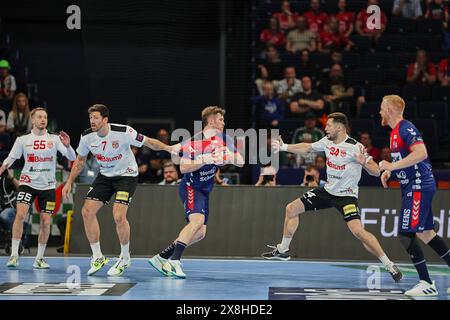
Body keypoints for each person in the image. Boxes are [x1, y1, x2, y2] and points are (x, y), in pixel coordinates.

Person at [262, 112, 403, 283]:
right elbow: (307, 147)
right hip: (327, 191)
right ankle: (283, 250)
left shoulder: (355, 146)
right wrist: (284, 147)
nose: (325, 128)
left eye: (328, 125)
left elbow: (375, 172)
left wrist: (363, 161)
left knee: (358, 231)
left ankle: (389, 264)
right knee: (291, 209)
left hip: (346, 197)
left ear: (339, 127)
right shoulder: (327, 141)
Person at [61, 104, 177, 277]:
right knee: (86, 211)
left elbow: (149, 142)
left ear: (105, 119)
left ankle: (124, 257)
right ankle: (98, 256)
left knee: (118, 215)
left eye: (96, 118)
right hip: (105, 175)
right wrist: (69, 181)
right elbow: (79, 160)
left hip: (127, 176)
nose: (92, 121)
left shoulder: (123, 131)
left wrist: (169, 148)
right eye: (90, 118)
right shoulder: (86, 137)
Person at [148, 106, 244, 278]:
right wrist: (206, 158)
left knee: (200, 232)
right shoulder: (194, 141)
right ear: (212, 120)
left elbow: (241, 162)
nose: (224, 122)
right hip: (191, 187)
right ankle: (174, 262)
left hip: (206, 190)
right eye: (221, 119)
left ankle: (161, 257)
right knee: (196, 221)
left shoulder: (225, 139)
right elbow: (184, 168)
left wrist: (227, 155)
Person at [379, 95, 450, 297]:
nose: (380, 112)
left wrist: (391, 165)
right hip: (414, 186)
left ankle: (426, 282)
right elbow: (406, 159)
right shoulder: (394, 133)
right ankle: (426, 282)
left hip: (419, 186)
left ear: (391, 111)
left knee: (405, 233)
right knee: (426, 233)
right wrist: (390, 171)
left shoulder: (405, 127)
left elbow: (421, 153)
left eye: (382, 108)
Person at [0, 108, 76, 269]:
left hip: (47, 186)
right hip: (27, 183)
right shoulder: (22, 140)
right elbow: (12, 157)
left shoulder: (55, 139)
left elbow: (72, 157)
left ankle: (39, 258)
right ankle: (14, 256)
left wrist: (68, 146)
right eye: (39, 117)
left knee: (46, 221)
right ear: (33, 120)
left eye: (45, 117)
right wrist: (4, 166)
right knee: (20, 215)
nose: (43, 119)